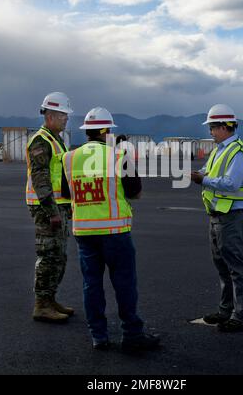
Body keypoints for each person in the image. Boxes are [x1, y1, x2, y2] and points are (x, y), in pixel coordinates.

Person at [62, 107, 160, 351]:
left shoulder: (69, 158)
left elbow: (65, 194)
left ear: (87, 132)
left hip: (84, 233)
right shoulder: (118, 157)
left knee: (91, 284)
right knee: (124, 283)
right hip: (115, 232)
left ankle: (98, 336)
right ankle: (132, 335)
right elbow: (135, 192)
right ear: (107, 131)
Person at [191, 104, 243, 332]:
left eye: (212, 127)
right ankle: (225, 310)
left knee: (236, 268)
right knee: (222, 266)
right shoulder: (220, 150)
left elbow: (232, 183)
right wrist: (200, 174)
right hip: (218, 216)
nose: (210, 132)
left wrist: (203, 180)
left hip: (234, 217)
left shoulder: (238, 152)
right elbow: (211, 171)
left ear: (225, 127)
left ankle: (241, 317)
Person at [26, 92, 74, 323]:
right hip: (46, 208)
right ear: (51, 115)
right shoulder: (41, 141)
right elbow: (40, 179)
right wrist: (52, 211)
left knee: (59, 256)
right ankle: (41, 304)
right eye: (63, 115)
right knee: (48, 255)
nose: (66, 119)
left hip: (58, 206)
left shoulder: (56, 140)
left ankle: (50, 299)